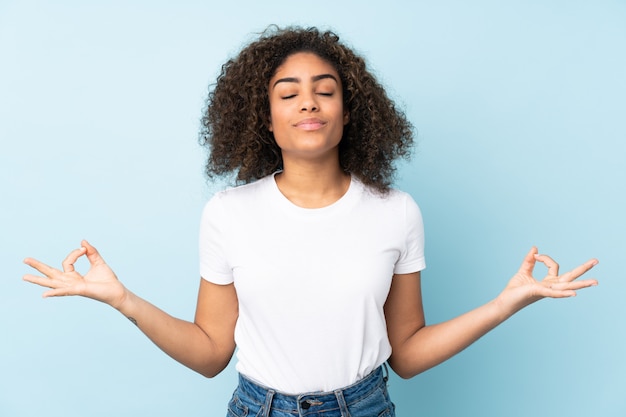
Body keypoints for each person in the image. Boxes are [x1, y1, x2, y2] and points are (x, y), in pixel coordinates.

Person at [23, 26, 598, 417]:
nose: (309, 103)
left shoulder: (396, 212)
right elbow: (208, 354)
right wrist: (122, 299)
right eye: (288, 93)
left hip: (367, 407)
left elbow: (408, 354)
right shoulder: (229, 213)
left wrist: (507, 302)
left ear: (350, 114)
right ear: (264, 119)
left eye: (326, 91)